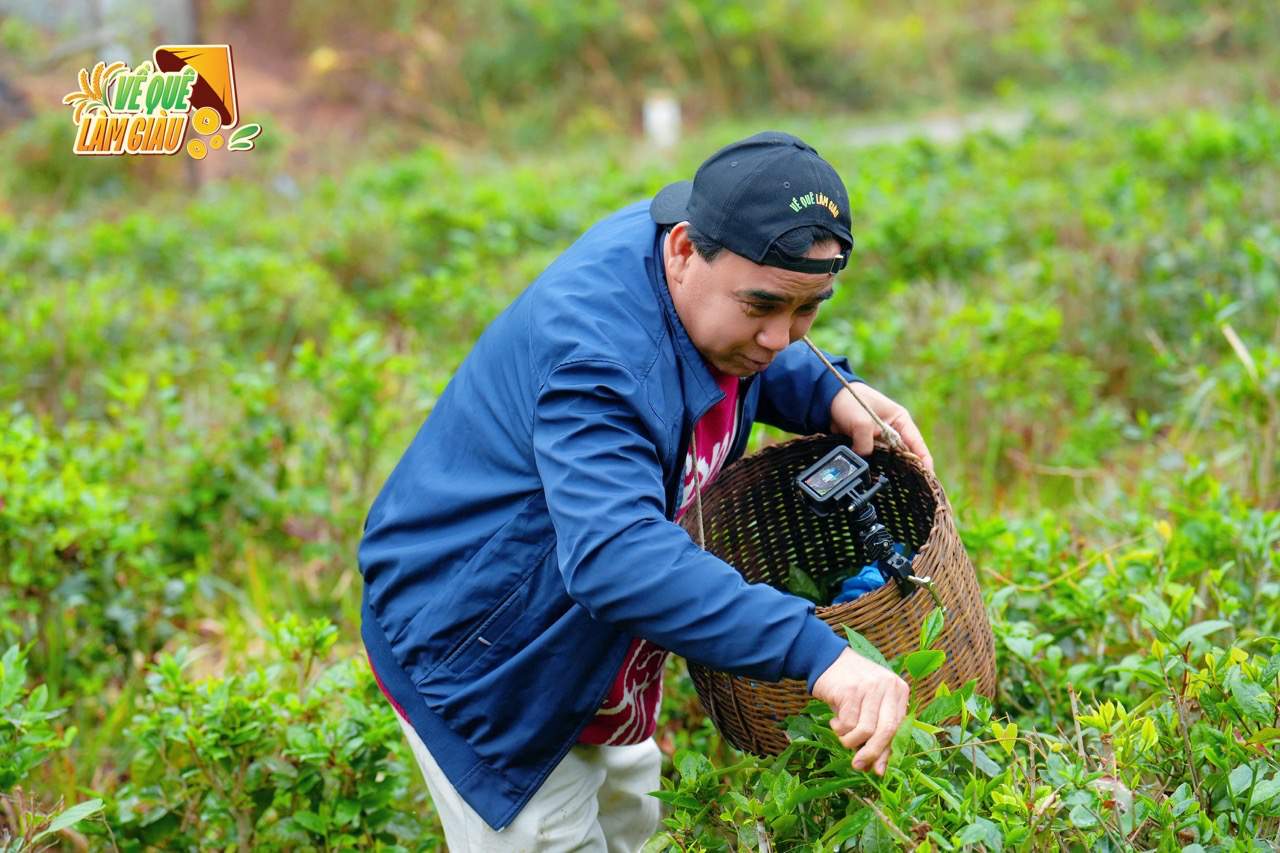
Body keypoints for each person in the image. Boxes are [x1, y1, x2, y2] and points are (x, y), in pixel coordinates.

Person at [358, 131, 935, 850]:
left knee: (632, 821)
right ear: (686, 249)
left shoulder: (707, 273)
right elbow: (615, 557)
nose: (780, 337)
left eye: (807, 309)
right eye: (763, 306)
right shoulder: (597, 358)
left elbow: (745, 338)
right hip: (493, 659)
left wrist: (828, 390)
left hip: (592, 648)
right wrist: (814, 650)